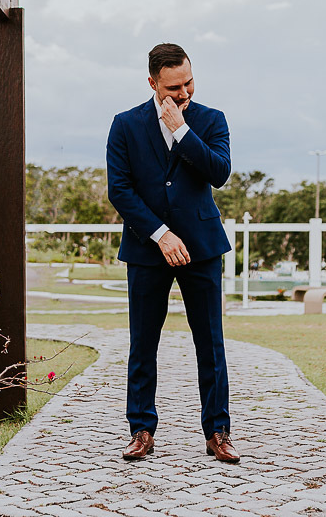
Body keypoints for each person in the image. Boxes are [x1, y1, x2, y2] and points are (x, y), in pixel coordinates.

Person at [105, 42, 239, 463]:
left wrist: (182, 129)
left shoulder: (211, 120)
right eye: (174, 87)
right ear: (152, 82)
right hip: (148, 250)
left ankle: (217, 431)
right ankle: (141, 429)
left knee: (210, 343)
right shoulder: (124, 125)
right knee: (143, 342)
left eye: (189, 82)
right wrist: (160, 234)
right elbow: (120, 190)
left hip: (202, 248)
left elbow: (219, 172)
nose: (184, 93)